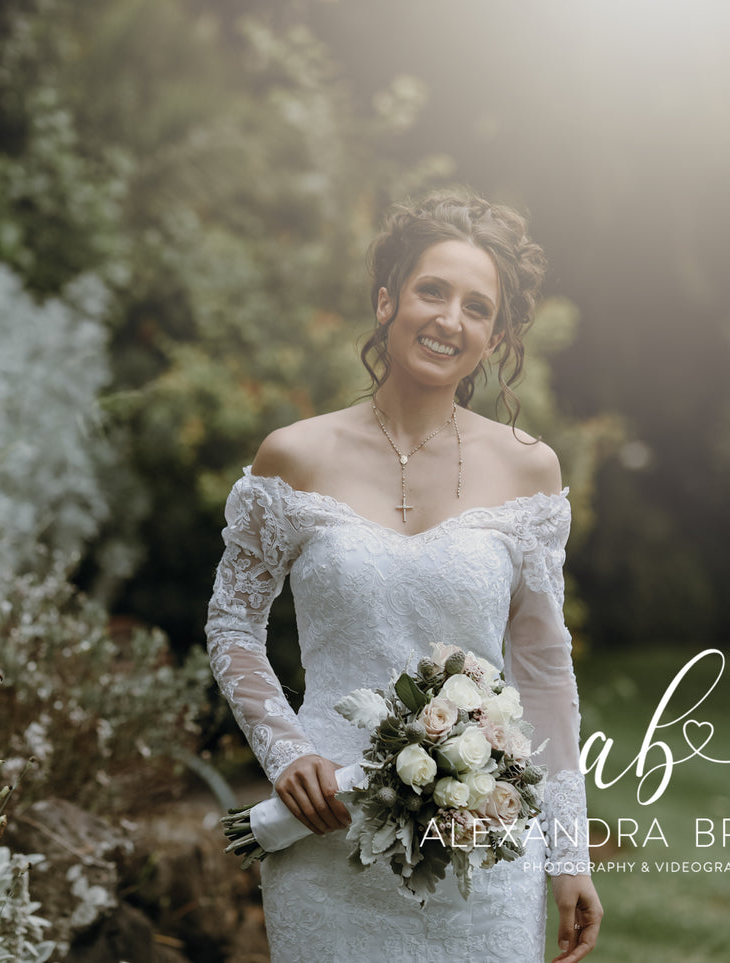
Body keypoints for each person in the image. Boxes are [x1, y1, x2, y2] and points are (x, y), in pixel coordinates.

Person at [205, 189, 602, 962]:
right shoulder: (294, 456)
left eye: (476, 307)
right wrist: (286, 752)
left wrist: (567, 850)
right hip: (328, 832)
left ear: (493, 337)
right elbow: (231, 624)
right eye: (431, 290)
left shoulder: (528, 469)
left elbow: (543, 670)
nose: (449, 319)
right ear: (387, 300)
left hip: (481, 840)